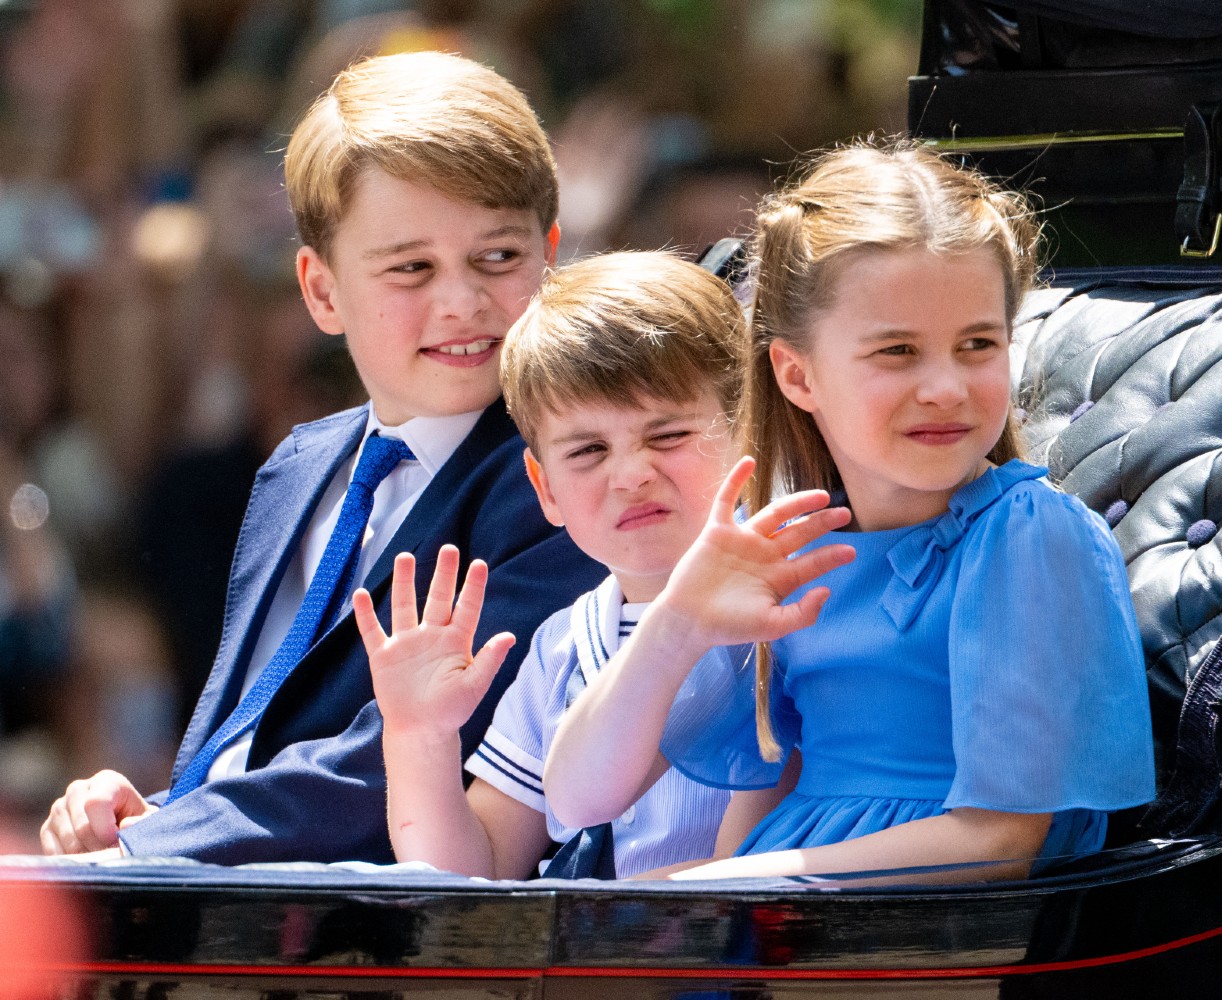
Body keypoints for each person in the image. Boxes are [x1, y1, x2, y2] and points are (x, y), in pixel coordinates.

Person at [37, 51, 602, 865]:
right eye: (412, 267)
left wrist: (152, 848)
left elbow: (392, 768)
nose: (462, 301)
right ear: (323, 291)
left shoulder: (565, 477)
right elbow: (263, 742)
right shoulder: (299, 468)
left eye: (498, 258)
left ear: (550, 256)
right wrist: (142, 815)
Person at [545, 140, 1156, 882]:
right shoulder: (795, 547)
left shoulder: (1027, 536)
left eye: (977, 344)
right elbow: (579, 798)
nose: (946, 388)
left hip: (924, 921)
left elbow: (999, 842)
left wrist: (710, 884)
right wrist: (677, 621)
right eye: (898, 351)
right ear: (798, 375)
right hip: (787, 905)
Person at [353, 252, 742, 879]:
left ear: (750, 431)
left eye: (667, 435)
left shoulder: (796, 606)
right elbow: (477, 871)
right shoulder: (562, 649)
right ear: (545, 488)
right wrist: (418, 734)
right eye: (588, 450)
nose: (631, 474)